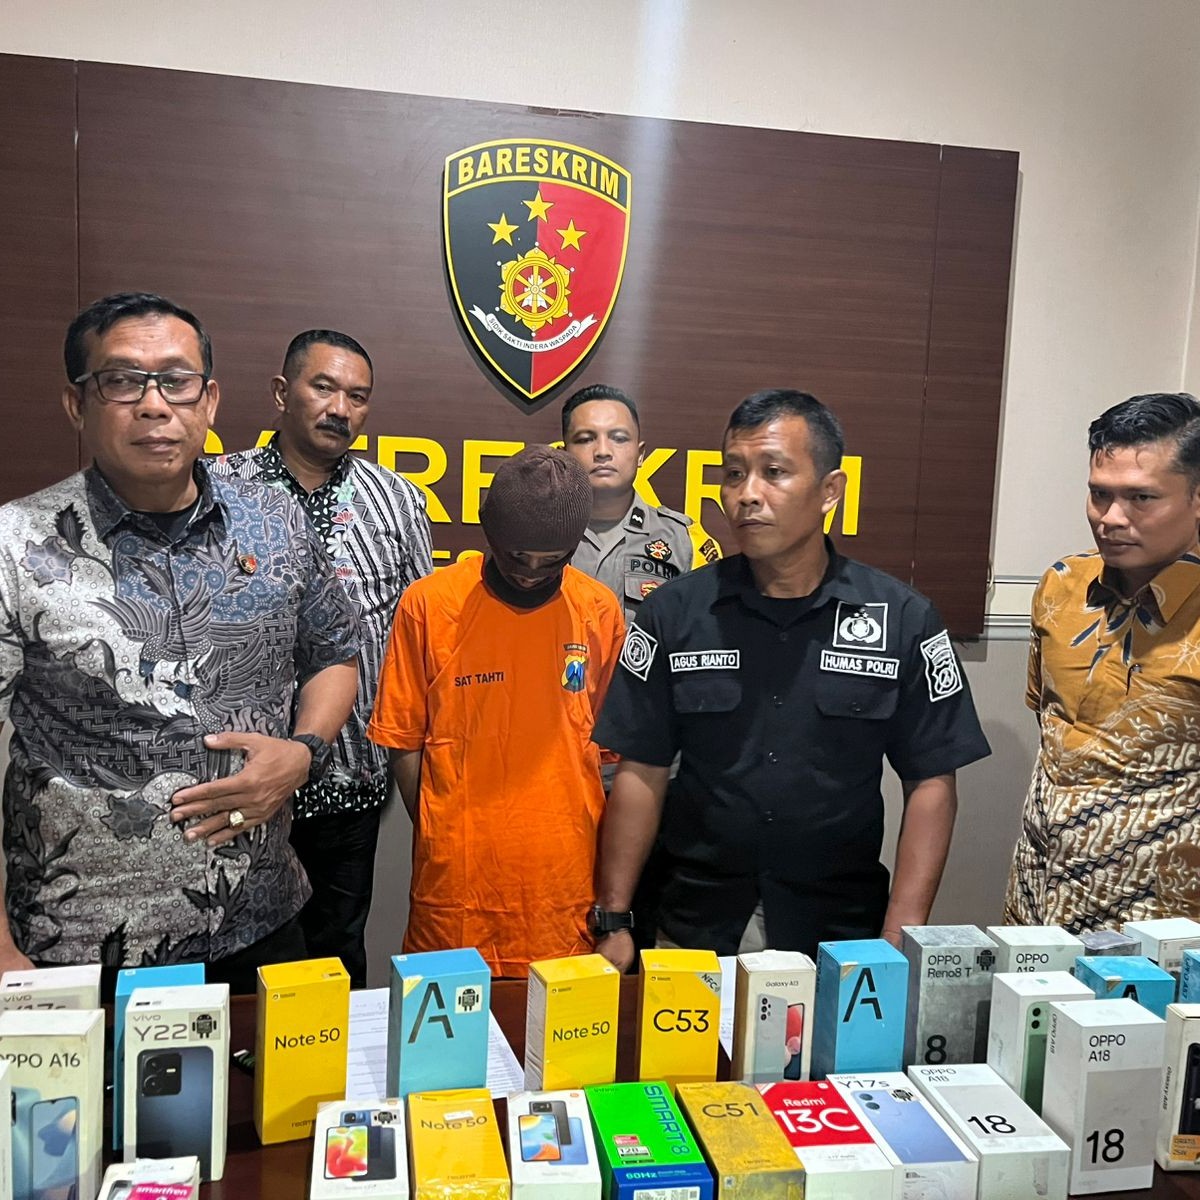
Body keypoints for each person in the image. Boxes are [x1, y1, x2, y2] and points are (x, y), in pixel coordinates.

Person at [0, 292, 360, 991]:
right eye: (122, 381)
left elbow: (335, 654)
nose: (154, 405)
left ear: (210, 400)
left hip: (262, 920)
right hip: (82, 946)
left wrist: (304, 752)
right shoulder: (18, 546)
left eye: (176, 380)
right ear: (77, 404)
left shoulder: (275, 520)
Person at [590, 389, 991, 969]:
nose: (747, 494)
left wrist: (899, 934)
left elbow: (930, 780)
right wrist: (615, 917)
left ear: (830, 490)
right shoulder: (674, 613)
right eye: (734, 474)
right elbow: (641, 771)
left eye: (774, 472)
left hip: (839, 930)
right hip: (693, 923)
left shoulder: (901, 618)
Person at [209, 330, 432, 987]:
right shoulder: (217, 487)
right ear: (283, 393)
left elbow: (421, 634)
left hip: (350, 778)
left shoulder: (396, 500)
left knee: (335, 958)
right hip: (237, 778)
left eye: (357, 397)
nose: (340, 408)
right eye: (324, 387)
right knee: (232, 963)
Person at [367, 446, 624, 976]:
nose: (530, 574)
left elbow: (610, 760)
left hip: (563, 892)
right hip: (455, 893)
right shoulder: (429, 605)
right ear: (488, 531)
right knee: (448, 1026)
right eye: (516, 557)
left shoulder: (599, 611)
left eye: (552, 561)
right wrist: (442, 832)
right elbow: (403, 742)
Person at [1006, 392, 1200, 930]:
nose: (1111, 518)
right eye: (1099, 494)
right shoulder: (1062, 585)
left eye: (1141, 498)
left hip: (1161, 924)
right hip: (1038, 901)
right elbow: (1052, 731)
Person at [562, 383, 720, 620]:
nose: (603, 451)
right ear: (564, 453)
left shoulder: (684, 540)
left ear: (640, 454)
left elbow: (706, 631)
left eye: (619, 438)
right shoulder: (537, 536)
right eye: (585, 439)